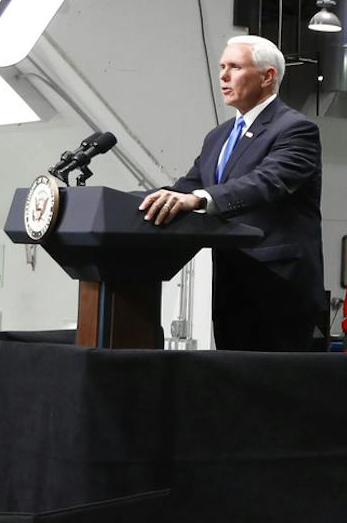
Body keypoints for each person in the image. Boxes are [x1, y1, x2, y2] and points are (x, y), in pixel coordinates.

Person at [139, 34, 325, 351]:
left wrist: (200, 199)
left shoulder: (295, 128)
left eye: (235, 67)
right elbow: (189, 184)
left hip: (279, 285)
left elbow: (267, 181)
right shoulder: (219, 136)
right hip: (231, 280)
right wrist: (140, 202)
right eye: (222, 67)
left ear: (268, 77)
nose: (223, 76)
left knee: (273, 387)